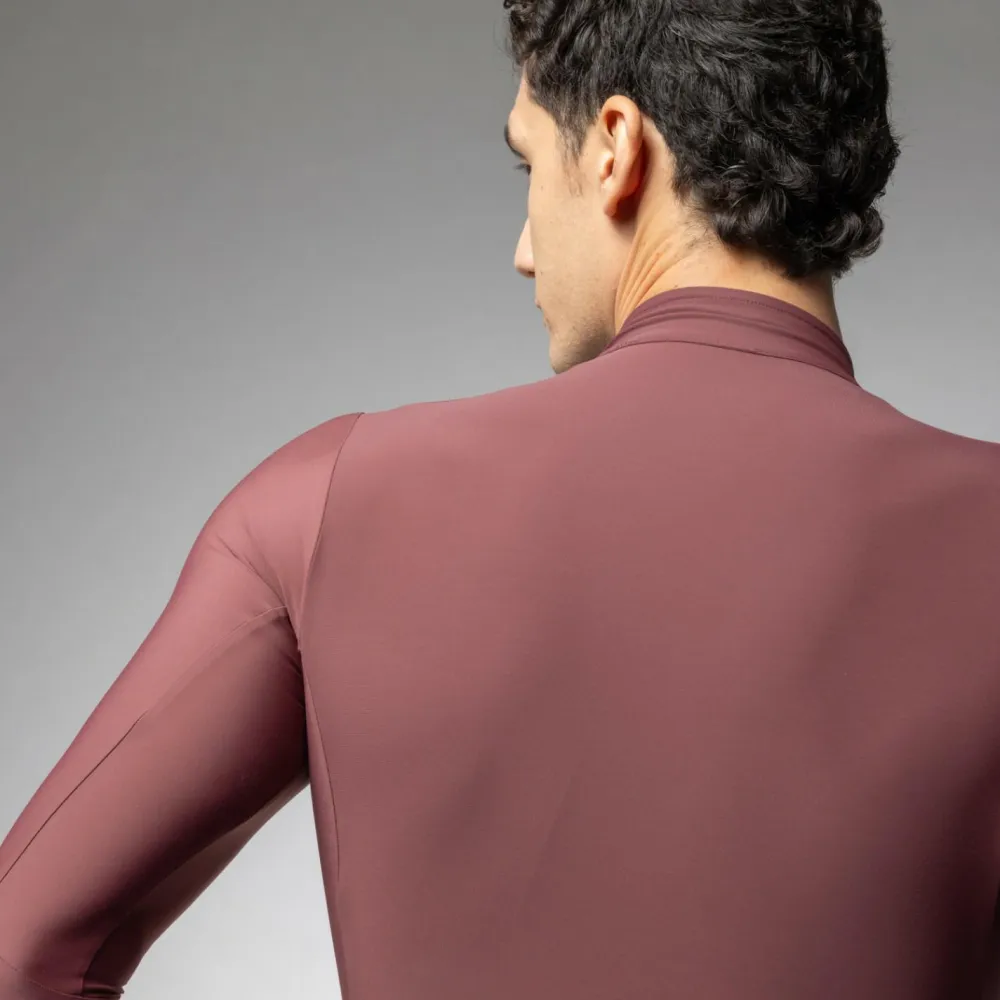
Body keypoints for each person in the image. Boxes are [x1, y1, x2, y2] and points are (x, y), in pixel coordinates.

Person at [1, 0, 999, 997]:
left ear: (615, 147)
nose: (524, 247)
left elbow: (23, 948)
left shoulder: (328, 507)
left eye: (528, 167)